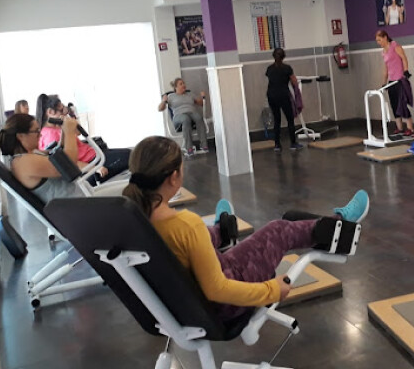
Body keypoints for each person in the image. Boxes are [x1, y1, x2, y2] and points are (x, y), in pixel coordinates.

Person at [122, 136, 369, 322]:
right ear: (174, 177)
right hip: (224, 302)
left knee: (201, 236)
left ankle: (222, 231)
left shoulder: (132, 221)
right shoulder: (186, 224)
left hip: (184, 303)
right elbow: (217, 289)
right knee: (279, 229)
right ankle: (341, 227)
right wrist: (272, 290)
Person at [37, 93, 131, 183]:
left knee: (132, 154)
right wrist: (95, 168)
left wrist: (70, 117)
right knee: (133, 157)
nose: (64, 114)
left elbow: (78, 132)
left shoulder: (57, 127)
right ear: (50, 112)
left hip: (96, 156)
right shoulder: (50, 136)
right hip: (91, 164)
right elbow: (66, 163)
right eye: (61, 111)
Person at [0, 113, 85, 202]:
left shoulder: (28, 155)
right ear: (20, 136)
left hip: (77, 200)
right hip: (74, 207)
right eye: (36, 131)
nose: (40, 135)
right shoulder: (25, 163)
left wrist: (64, 131)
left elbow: (60, 156)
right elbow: (69, 167)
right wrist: (69, 132)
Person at [375, 30, 414, 136]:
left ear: (385, 37)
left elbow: (404, 58)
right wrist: (384, 83)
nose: (378, 42)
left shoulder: (395, 46)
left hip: (400, 79)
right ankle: (400, 128)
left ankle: (410, 128)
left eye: (379, 40)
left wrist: (406, 71)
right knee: (394, 105)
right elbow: (386, 68)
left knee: (402, 104)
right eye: (377, 41)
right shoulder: (383, 52)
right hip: (391, 81)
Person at [158, 79, 208, 157]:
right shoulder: (171, 96)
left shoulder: (190, 94)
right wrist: (164, 101)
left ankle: (204, 145)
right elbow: (160, 109)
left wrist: (202, 97)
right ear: (176, 87)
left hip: (192, 113)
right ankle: (189, 148)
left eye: (184, 83)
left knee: (198, 117)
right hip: (178, 116)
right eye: (181, 84)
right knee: (185, 118)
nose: (183, 85)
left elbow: (201, 104)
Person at [265, 48, 303, 152]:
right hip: (283, 95)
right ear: (284, 57)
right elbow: (294, 82)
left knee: (277, 120)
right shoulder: (287, 68)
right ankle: (293, 143)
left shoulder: (269, 69)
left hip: (271, 96)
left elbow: (272, 79)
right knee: (290, 119)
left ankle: (277, 145)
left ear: (273, 56)